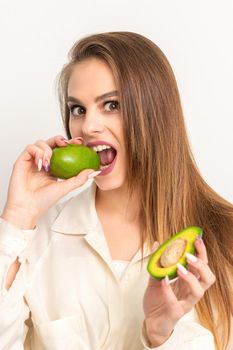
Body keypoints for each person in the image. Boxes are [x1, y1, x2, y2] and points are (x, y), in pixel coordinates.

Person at [0, 31, 232, 350]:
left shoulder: (225, 242)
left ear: (155, 114)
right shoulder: (35, 239)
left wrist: (160, 335)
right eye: (78, 109)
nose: (88, 126)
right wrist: (18, 216)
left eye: (111, 104)